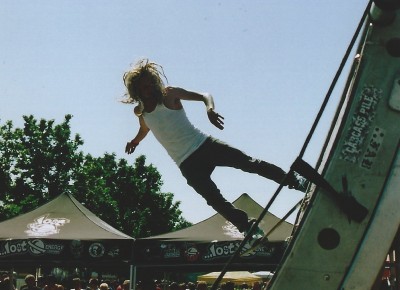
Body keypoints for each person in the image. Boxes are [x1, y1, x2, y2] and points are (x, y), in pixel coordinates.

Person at [123, 59, 307, 236]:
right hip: (186, 163)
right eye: (142, 87)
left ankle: (294, 181)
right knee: (213, 199)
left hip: (205, 146)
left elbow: (205, 95)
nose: (147, 90)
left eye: (149, 85)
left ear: (154, 84)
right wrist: (135, 141)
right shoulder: (140, 112)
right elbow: (145, 129)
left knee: (249, 163)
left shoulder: (169, 95)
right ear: (136, 90)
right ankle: (247, 228)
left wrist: (209, 109)